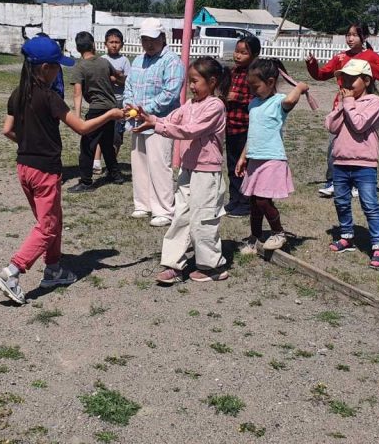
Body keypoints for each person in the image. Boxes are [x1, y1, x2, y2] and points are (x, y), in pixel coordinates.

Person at [0, 36, 124, 305]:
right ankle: (12, 272)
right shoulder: (50, 97)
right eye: (56, 67)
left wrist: (27, 144)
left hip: (24, 168)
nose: (58, 72)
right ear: (45, 68)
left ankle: (53, 269)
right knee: (48, 226)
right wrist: (110, 114)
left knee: (52, 220)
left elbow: (7, 130)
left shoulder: (17, 94)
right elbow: (82, 128)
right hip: (45, 171)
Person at [133, 57, 230, 284]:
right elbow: (170, 120)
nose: (191, 86)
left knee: (203, 219)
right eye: (190, 81)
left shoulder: (215, 106)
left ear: (212, 82)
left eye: (195, 81)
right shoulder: (189, 104)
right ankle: (173, 264)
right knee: (180, 217)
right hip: (188, 169)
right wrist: (150, 118)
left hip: (206, 173)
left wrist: (158, 126)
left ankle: (212, 266)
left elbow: (189, 130)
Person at [306, 22, 379, 197]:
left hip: (362, 106)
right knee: (335, 145)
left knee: (359, 144)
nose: (350, 38)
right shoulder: (340, 57)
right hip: (342, 104)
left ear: (364, 37)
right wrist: (312, 64)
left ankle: (358, 182)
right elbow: (321, 75)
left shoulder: (371, 56)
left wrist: (366, 65)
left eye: (354, 35)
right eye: (348, 35)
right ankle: (333, 181)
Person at [235, 58, 310, 255]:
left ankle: (278, 232)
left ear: (270, 82)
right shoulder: (253, 104)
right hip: (255, 159)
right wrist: (243, 157)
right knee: (254, 202)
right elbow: (252, 134)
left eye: (256, 86)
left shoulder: (278, 102)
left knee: (263, 200)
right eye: (250, 86)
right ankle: (255, 237)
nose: (252, 90)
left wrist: (300, 87)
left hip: (272, 159)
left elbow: (290, 100)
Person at [323, 59, 379, 269]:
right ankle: (346, 236)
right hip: (341, 161)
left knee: (370, 205)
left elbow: (359, 124)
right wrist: (342, 105)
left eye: (352, 79)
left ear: (366, 81)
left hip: (364, 163)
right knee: (341, 202)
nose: (347, 83)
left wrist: (348, 102)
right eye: (344, 79)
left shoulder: (374, 101)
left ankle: (378, 245)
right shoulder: (345, 101)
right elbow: (331, 126)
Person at [123, 18, 184, 227]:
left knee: (159, 165)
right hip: (137, 120)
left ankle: (164, 209)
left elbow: (171, 93)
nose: (148, 44)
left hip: (160, 121)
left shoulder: (171, 61)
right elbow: (129, 86)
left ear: (163, 38)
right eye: (145, 39)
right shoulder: (137, 60)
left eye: (153, 39)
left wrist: (145, 110)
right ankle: (143, 204)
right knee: (139, 162)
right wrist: (129, 106)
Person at [69, 31, 123, 191]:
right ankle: (115, 174)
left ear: (78, 49)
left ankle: (86, 182)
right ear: (93, 45)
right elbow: (117, 76)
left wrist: (77, 117)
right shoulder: (104, 62)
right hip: (111, 107)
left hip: (97, 109)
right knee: (106, 143)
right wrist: (120, 80)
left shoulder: (80, 67)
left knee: (87, 145)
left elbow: (77, 93)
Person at [223, 35, 259, 217]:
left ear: (254, 55)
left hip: (247, 127)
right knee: (231, 165)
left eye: (243, 53)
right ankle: (234, 199)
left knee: (244, 165)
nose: (238, 55)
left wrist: (237, 98)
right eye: (237, 51)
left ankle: (245, 203)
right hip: (231, 126)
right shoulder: (232, 72)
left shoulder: (255, 75)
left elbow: (258, 98)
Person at [95, 28, 131, 171]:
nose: (114, 45)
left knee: (117, 134)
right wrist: (115, 77)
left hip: (119, 101)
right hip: (104, 101)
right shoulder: (101, 60)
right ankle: (96, 161)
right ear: (105, 44)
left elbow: (127, 81)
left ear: (122, 44)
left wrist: (116, 79)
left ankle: (112, 164)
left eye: (117, 42)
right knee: (100, 130)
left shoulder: (125, 61)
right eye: (111, 42)